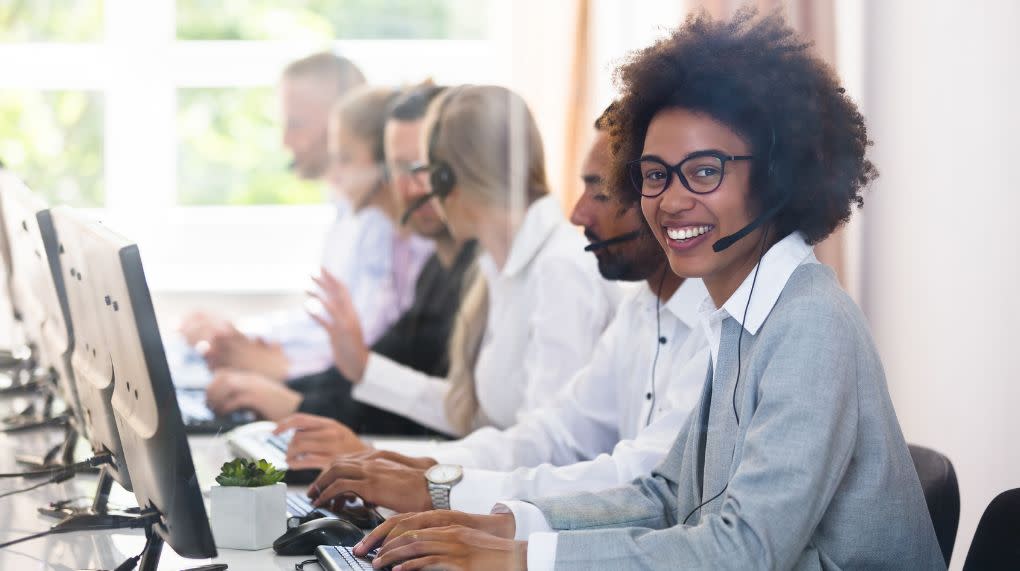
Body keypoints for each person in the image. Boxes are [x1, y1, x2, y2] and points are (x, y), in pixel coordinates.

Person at [351, 9, 945, 571]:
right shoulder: (740, 318)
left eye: (705, 171)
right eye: (655, 175)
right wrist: (507, 525)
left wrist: (524, 558)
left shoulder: (810, 321)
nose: (671, 199)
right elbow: (667, 496)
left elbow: (744, 550)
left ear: (776, 175)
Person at [299, 110, 712, 516]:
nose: (577, 214)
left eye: (600, 193)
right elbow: (550, 434)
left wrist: (439, 488)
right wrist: (411, 466)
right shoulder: (636, 307)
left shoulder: (563, 268)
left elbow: (636, 479)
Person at [275, 85, 621, 460]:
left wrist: (379, 457)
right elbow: (471, 414)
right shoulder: (498, 267)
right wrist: (363, 369)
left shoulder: (560, 269)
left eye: (424, 170)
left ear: (446, 179)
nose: (412, 188)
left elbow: (546, 450)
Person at [204, 85, 477, 435]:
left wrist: (290, 396)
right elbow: (373, 367)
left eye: (423, 168)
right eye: (401, 169)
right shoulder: (435, 267)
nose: (412, 186)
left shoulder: (450, 263)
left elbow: (417, 402)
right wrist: (289, 394)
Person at [177, 52, 368, 380]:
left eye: (297, 124)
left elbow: (359, 352)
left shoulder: (379, 225)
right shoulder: (344, 208)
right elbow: (318, 324)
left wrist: (269, 362)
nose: (285, 141)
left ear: (344, 124)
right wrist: (234, 333)